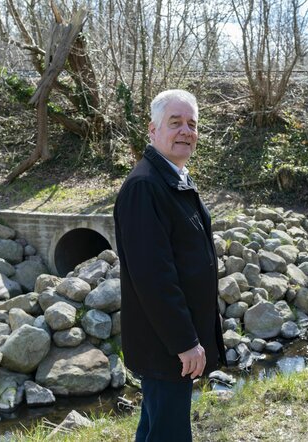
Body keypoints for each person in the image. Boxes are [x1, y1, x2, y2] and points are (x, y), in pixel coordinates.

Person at [113, 89, 226, 442]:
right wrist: (186, 342)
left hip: (170, 342)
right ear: (153, 130)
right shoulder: (145, 186)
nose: (186, 131)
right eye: (175, 122)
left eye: (192, 124)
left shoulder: (174, 177)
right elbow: (154, 278)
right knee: (170, 433)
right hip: (166, 345)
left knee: (156, 426)